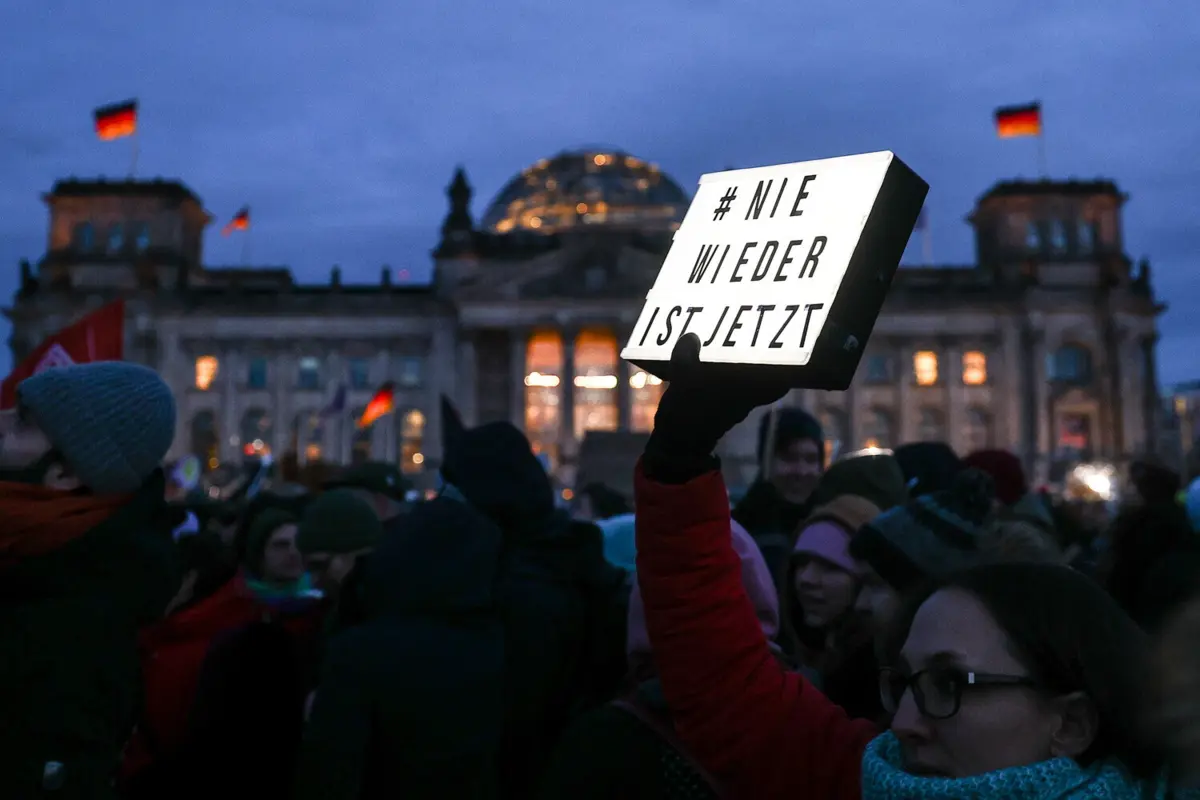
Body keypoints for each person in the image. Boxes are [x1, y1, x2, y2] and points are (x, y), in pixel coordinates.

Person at [631, 333, 1185, 798]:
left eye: (949, 683)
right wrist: (678, 460)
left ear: (1070, 723)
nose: (901, 724)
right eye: (902, 683)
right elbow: (727, 690)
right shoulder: (880, 776)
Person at [0, 362, 179, 797]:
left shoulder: (80, 622)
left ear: (66, 474)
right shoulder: (28, 555)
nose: (0, 420)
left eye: (23, 422)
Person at [297, 497, 505, 799]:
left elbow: (330, 772)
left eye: (319, 565)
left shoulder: (361, 649)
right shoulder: (495, 639)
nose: (315, 580)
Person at [732, 407, 826, 589]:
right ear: (766, 461)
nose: (802, 471)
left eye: (811, 459)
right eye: (789, 458)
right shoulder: (738, 532)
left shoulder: (830, 527)